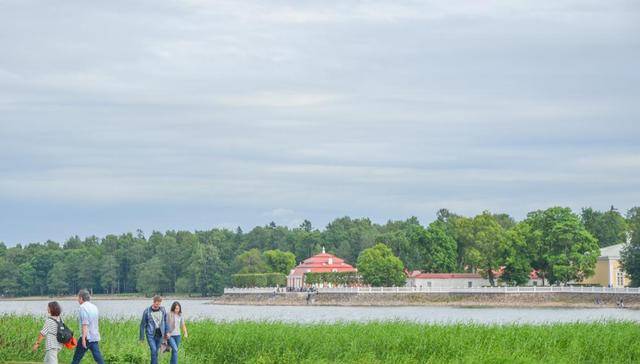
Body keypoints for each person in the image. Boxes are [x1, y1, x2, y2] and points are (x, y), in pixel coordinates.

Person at [72, 290, 105, 364]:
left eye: (78, 297)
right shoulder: (94, 307)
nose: (77, 299)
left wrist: (83, 338)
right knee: (98, 358)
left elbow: (85, 323)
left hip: (87, 337)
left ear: (81, 298)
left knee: (76, 358)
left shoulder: (82, 308)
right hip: (94, 336)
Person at [140, 295, 170, 364]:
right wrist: (142, 338)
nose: (158, 305)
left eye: (159, 304)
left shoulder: (163, 309)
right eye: (157, 304)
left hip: (160, 335)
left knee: (155, 352)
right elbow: (142, 325)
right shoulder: (147, 311)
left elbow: (165, 321)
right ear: (153, 302)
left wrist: (167, 332)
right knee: (153, 350)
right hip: (150, 335)